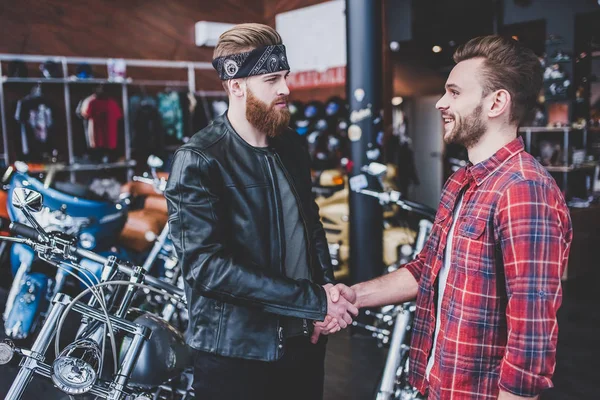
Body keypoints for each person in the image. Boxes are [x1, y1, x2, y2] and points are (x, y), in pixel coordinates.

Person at [324, 35, 573, 399]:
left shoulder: (524, 190)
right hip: (438, 383)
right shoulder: (462, 181)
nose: (441, 102)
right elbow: (428, 269)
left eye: (454, 92)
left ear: (497, 102)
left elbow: (531, 338)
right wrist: (353, 295)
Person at [164, 23, 356, 400]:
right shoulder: (200, 159)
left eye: (284, 76)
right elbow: (206, 267)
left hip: (303, 341)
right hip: (236, 353)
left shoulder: (291, 146)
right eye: (272, 79)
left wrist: (326, 299)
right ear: (237, 86)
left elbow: (311, 228)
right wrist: (313, 300)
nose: (285, 89)